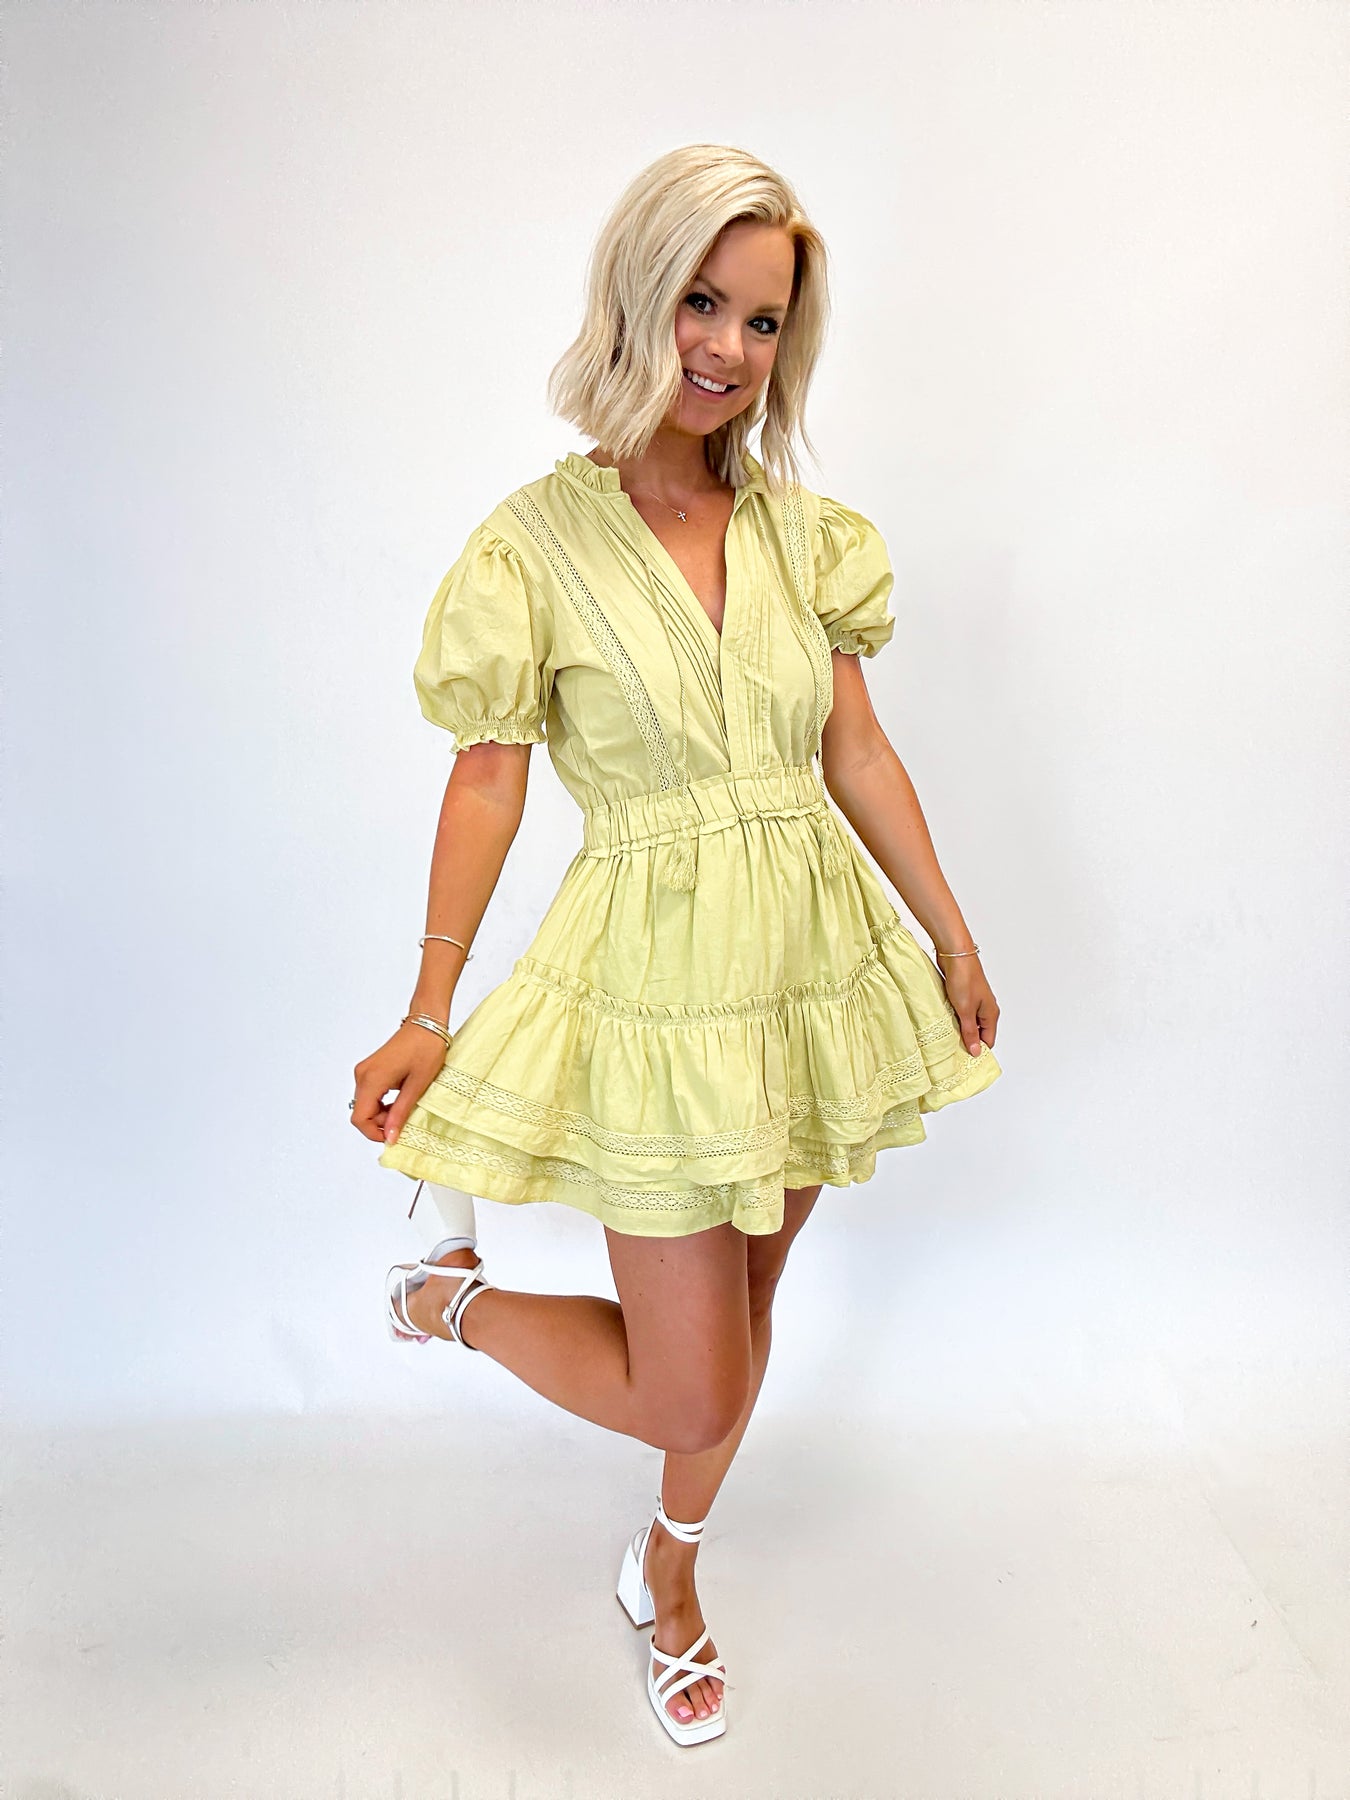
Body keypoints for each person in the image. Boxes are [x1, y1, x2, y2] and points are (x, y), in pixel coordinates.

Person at [349, 142, 1002, 1747]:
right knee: (690, 1380)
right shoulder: (530, 547)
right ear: (637, 296)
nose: (727, 347)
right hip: (653, 982)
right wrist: (428, 1003)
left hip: (801, 973)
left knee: (746, 1320)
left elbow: (855, 752)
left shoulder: (800, 535)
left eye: (762, 321)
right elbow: (488, 777)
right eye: (702, 301)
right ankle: (445, 1301)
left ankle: (669, 1567)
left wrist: (948, 934)